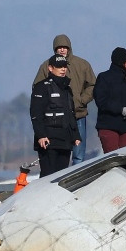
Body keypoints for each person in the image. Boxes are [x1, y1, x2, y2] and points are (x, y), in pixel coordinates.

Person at [32, 34, 96, 164]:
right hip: (56, 119)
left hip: (78, 114)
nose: (62, 50)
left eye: (65, 47)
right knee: (60, 153)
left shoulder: (82, 64)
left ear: (69, 48)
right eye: (59, 47)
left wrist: (81, 101)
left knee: (78, 154)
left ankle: (77, 179)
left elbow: (93, 85)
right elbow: (37, 87)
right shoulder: (46, 66)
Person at [30, 54, 81, 177]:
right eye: (59, 67)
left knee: (61, 177)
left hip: (65, 140)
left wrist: (75, 135)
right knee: (48, 176)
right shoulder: (41, 87)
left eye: (64, 66)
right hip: (48, 141)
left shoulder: (67, 88)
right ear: (50, 68)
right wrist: (41, 135)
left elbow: (71, 113)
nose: (63, 69)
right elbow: (36, 114)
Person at [93, 47, 126, 152]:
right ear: (122, 61)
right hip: (108, 125)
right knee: (113, 158)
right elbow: (101, 101)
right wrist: (121, 110)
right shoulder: (104, 77)